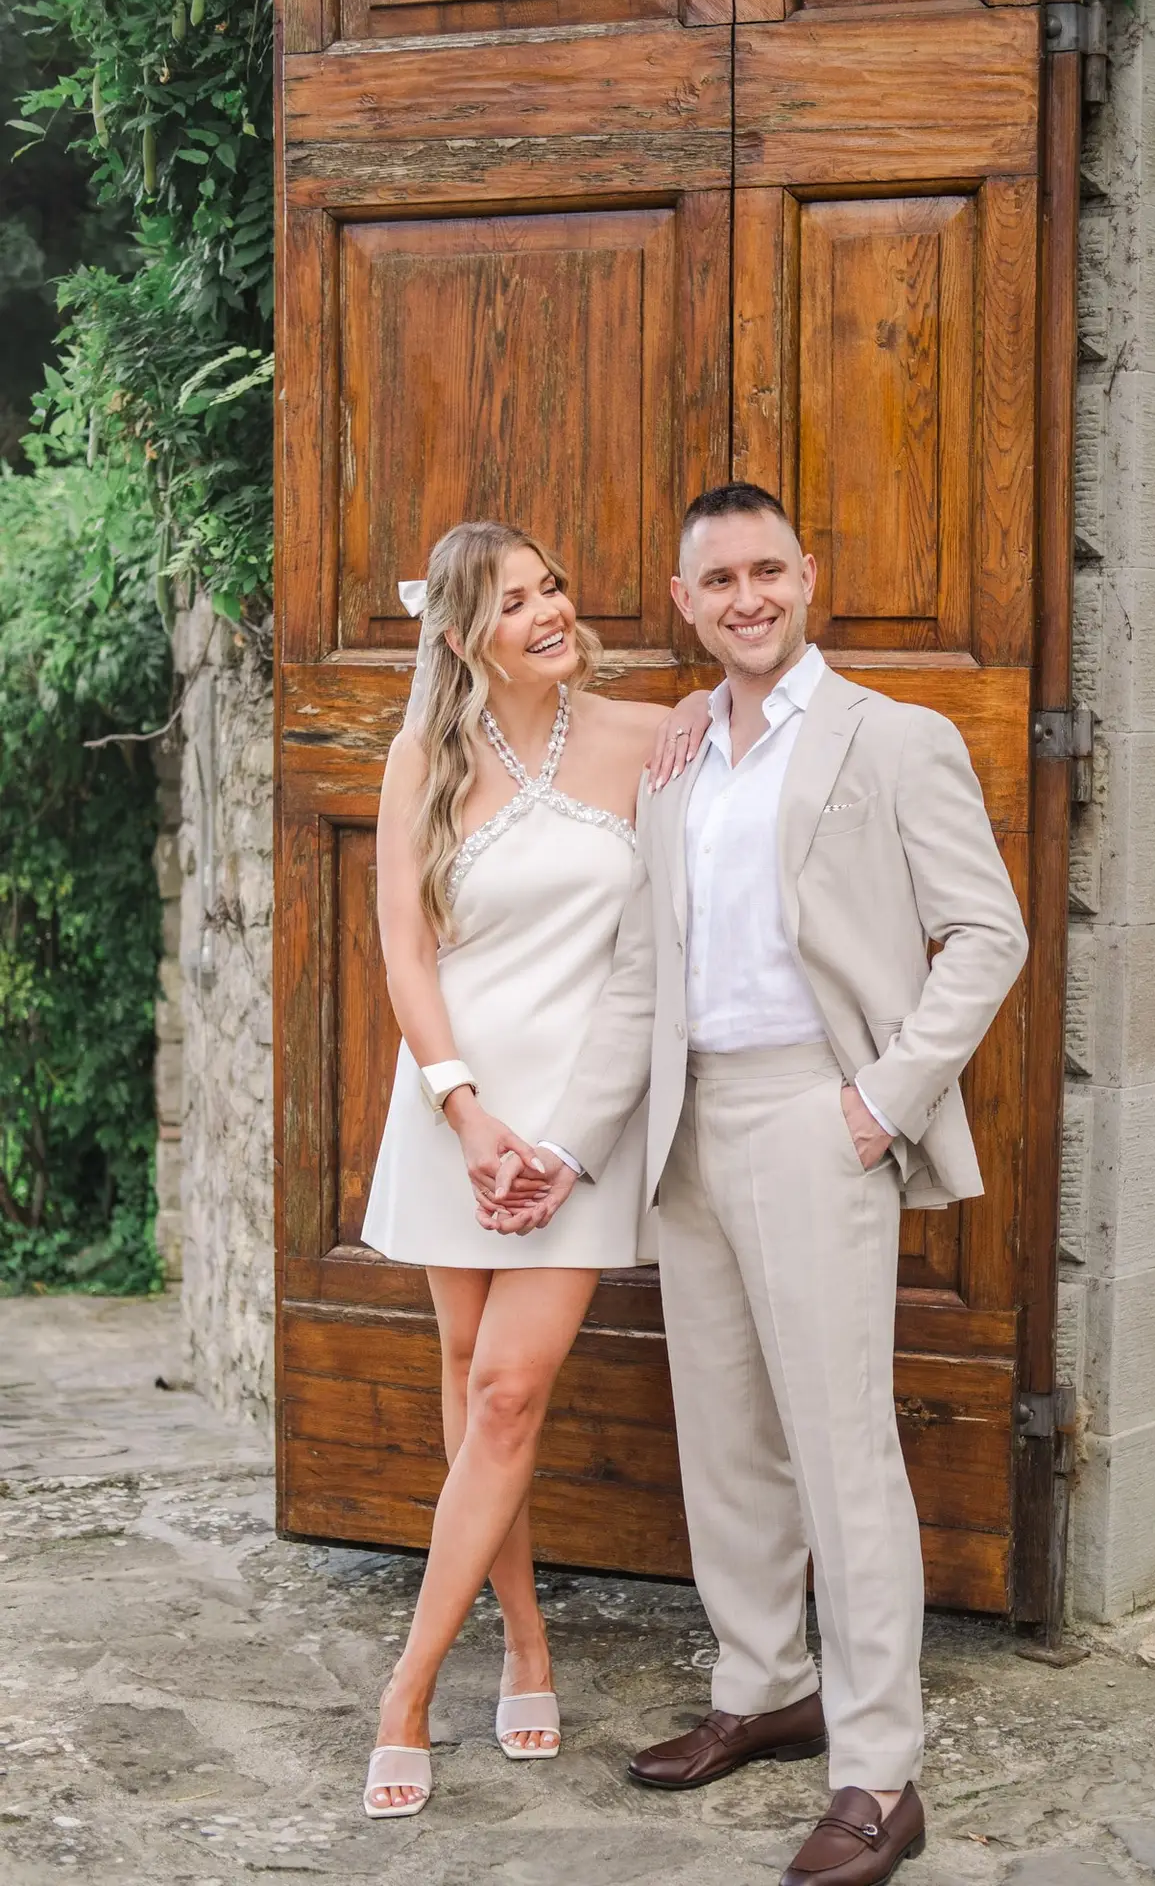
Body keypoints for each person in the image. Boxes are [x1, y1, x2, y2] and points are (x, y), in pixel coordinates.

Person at [486, 484, 1029, 1885]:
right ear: (683, 601)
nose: (746, 597)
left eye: (768, 570)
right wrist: (568, 1143)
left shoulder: (892, 740)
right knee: (723, 1433)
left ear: (809, 576)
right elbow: (638, 981)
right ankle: (764, 1683)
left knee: (843, 1450)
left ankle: (876, 1772)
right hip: (690, 1126)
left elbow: (987, 934)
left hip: (816, 1110)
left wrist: (877, 1102)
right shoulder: (676, 762)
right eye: (718, 578)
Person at [359, 519, 708, 1818]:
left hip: (583, 1123)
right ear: (463, 638)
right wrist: (461, 1109)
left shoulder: (651, 734)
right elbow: (405, 947)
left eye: (554, 584)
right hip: (460, 1107)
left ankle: (407, 1684)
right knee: (469, 1383)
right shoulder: (421, 759)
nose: (552, 611)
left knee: (507, 1392)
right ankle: (523, 1638)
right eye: (517, 603)